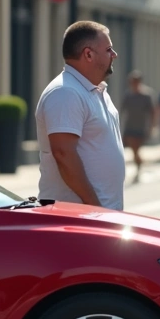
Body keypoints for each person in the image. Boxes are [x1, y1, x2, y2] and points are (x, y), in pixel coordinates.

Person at [34, 20, 125, 210]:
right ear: (88, 54)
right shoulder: (65, 92)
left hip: (97, 217)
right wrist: (96, 209)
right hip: (79, 219)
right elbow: (63, 153)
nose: (114, 55)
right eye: (109, 49)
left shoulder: (94, 90)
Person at [121, 70, 155, 184]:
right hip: (130, 126)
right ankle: (139, 165)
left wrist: (151, 127)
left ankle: (139, 166)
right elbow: (123, 111)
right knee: (133, 150)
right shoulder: (128, 95)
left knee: (137, 149)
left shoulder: (146, 95)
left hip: (141, 127)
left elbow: (152, 112)